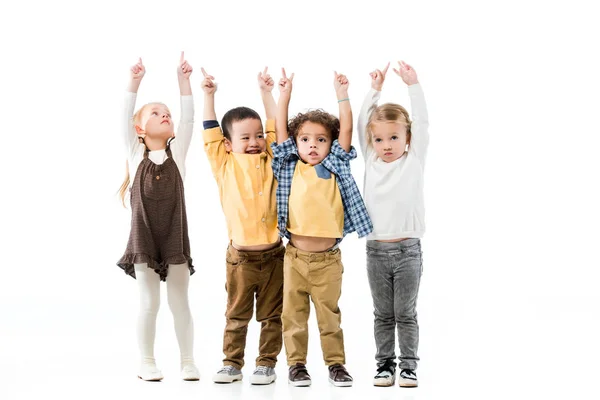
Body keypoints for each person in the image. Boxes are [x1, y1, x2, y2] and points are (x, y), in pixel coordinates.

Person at [272, 68, 372, 387]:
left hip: (328, 261)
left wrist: (341, 93)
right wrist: (284, 95)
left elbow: (346, 132)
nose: (312, 145)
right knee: (294, 316)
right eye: (305, 139)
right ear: (296, 143)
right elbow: (279, 128)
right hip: (295, 259)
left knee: (329, 316)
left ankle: (336, 364)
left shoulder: (334, 165)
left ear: (330, 143)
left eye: (320, 139)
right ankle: (297, 365)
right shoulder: (290, 166)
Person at [116, 53, 199, 382]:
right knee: (149, 303)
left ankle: (188, 361)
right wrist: (134, 83)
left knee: (180, 302)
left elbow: (189, 120)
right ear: (140, 127)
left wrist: (184, 82)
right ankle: (147, 361)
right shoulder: (136, 154)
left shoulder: (178, 153)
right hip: (145, 239)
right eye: (156, 113)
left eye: (168, 114)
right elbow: (123, 117)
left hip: (175, 238)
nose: (166, 116)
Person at [201, 67, 284, 385]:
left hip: (275, 255)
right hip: (240, 257)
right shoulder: (223, 163)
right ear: (227, 144)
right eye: (245, 137)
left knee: (271, 314)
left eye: (258, 135)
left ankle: (266, 363)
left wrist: (267, 93)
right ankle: (231, 363)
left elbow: (276, 129)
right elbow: (209, 130)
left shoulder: (272, 158)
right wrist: (209, 96)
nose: (254, 142)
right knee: (236, 314)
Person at [357, 60, 429, 388]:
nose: (387, 145)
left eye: (394, 138)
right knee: (383, 314)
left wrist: (413, 85)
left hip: (408, 251)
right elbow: (362, 123)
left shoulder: (413, 160)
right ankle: (384, 364)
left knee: (406, 313)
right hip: (376, 251)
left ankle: (409, 366)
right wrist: (374, 89)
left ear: (407, 137)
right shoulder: (372, 161)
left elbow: (423, 124)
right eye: (381, 139)